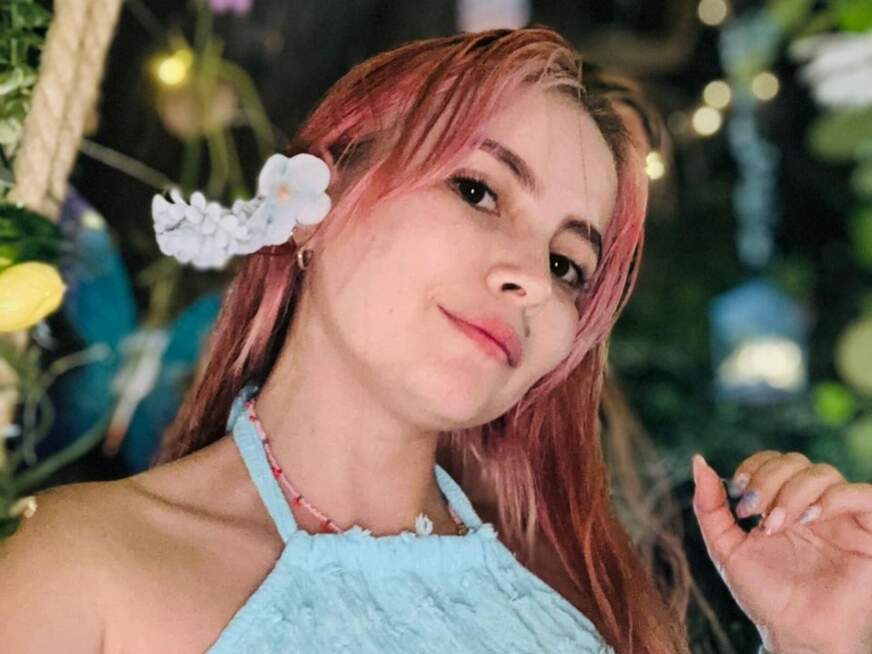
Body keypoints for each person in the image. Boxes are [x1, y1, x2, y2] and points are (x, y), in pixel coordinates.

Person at [2, 27, 870, 654]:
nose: (532, 279)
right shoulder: (82, 568)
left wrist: (817, 642)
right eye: (479, 191)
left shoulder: (598, 612)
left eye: (568, 265)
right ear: (316, 204)